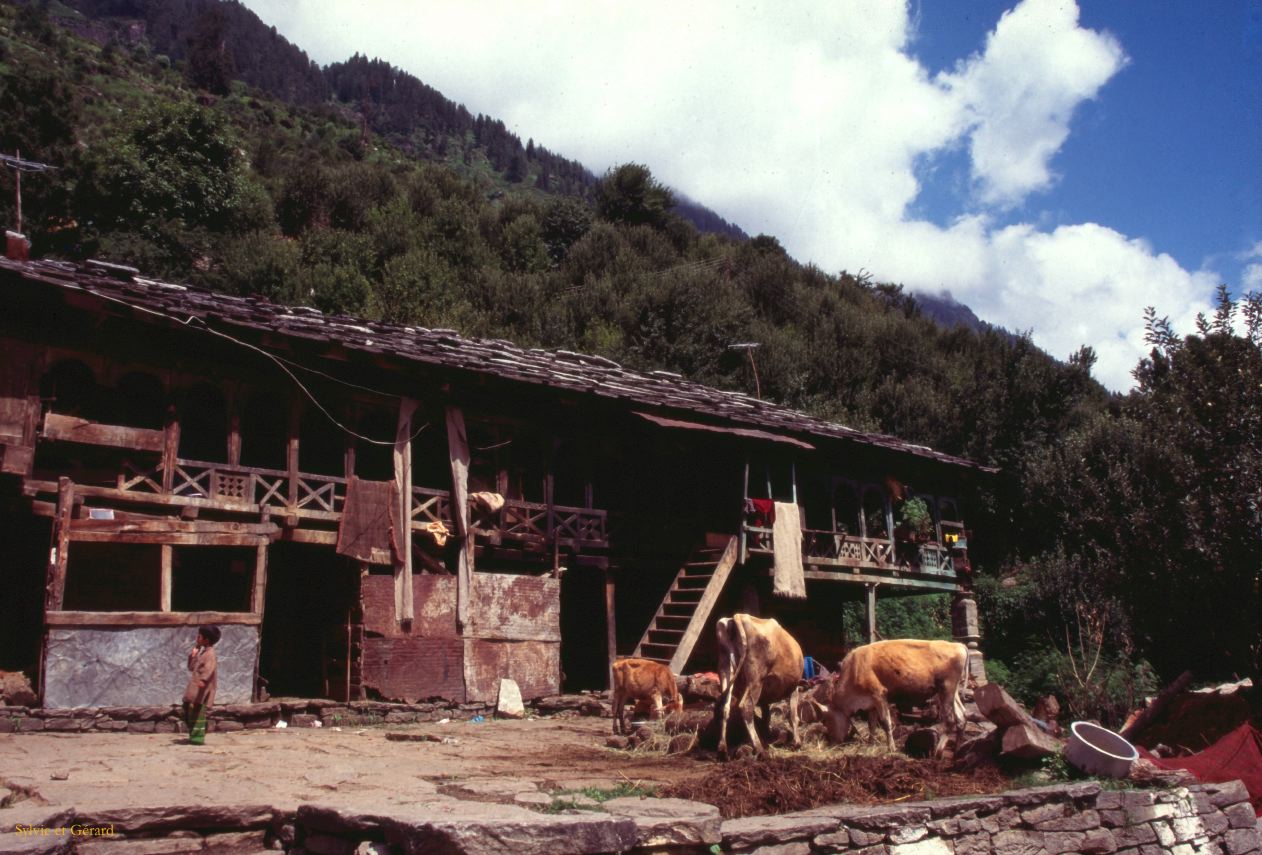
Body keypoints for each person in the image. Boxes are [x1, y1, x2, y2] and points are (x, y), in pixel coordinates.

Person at [182, 625, 220, 745]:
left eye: (199, 636)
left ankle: (197, 738)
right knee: (188, 709)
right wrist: (193, 655)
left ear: (206, 640)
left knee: (197, 713)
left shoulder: (210, 654)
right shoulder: (203, 653)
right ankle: (194, 735)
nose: (197, 638)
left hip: (202, 690)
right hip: (195, 689)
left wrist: (203, 680)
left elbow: (209, 668)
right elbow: (191, 667)